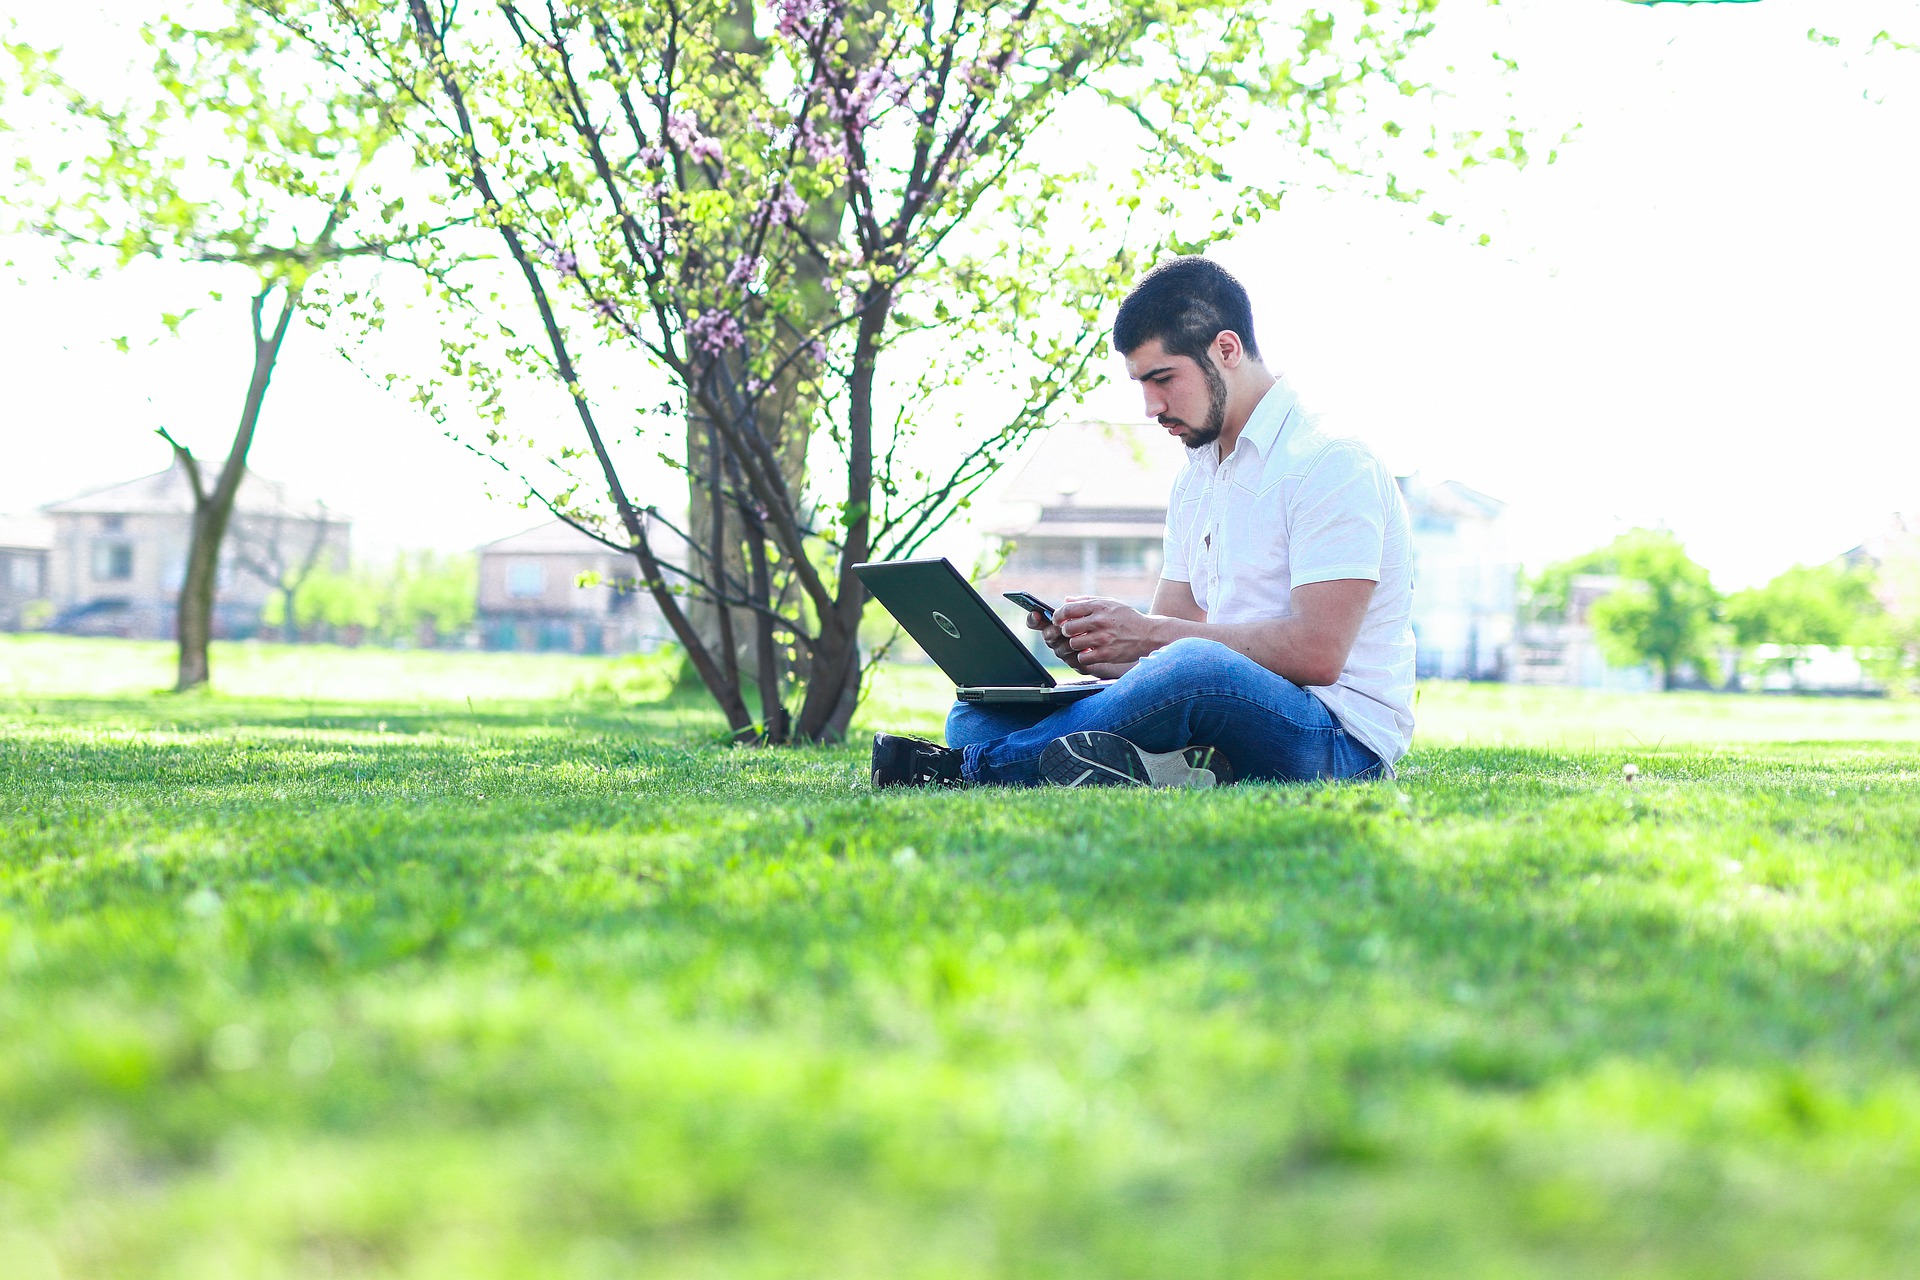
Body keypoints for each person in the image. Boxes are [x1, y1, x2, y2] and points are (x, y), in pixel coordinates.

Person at [871, 256, 1415, 788]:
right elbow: (1167, 639)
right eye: (1140, 384)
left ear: (1226, 349)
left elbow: (1317, 652)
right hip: (1214, 705)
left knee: (1195, 668)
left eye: (1163, 379)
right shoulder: (1197, 475)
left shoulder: (1330, 461)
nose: (1151, 407)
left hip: (1336, 739)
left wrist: (1150, 635)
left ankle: (969, 771)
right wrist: (1102, 646)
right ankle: (1168, 770)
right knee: (977, 719)